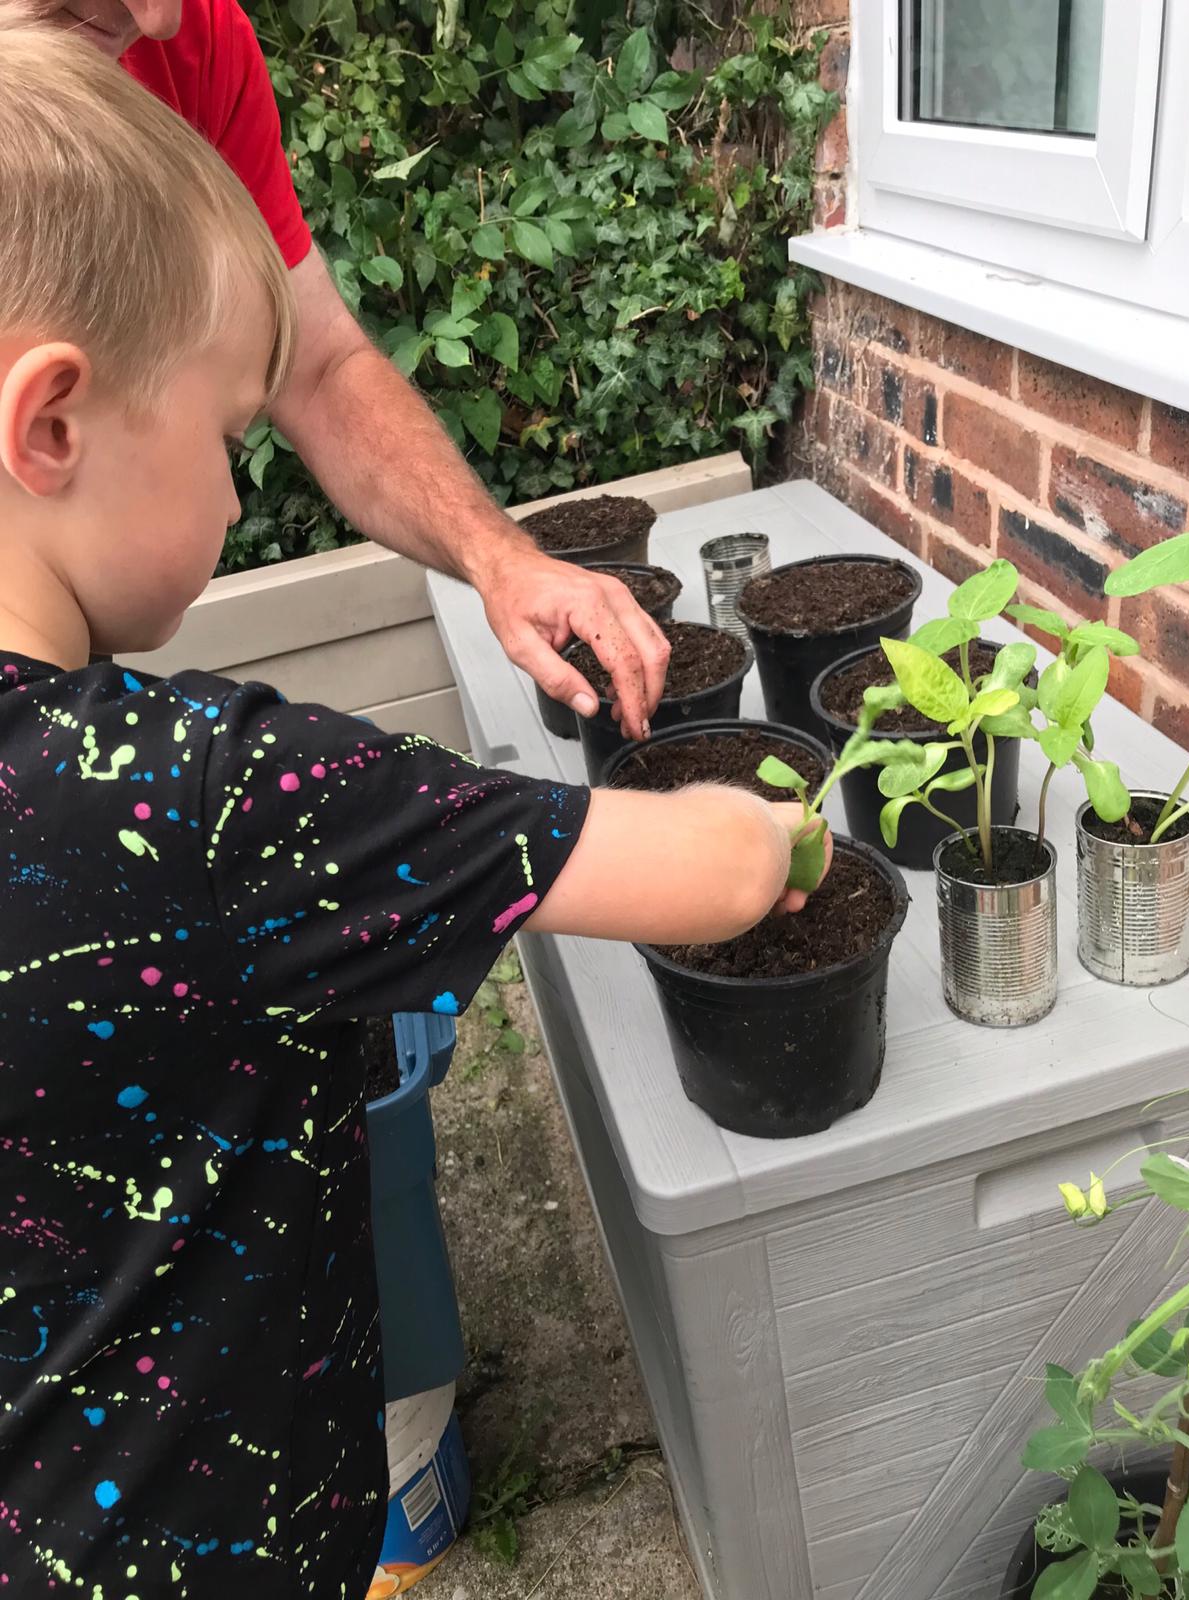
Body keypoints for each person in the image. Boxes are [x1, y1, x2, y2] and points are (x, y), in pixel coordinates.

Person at [0, 10, 830, 1593]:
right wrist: (794, 819)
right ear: (53, 422)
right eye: (232, 435)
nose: (248, 492)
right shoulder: (206, 795)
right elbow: (712, 872)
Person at [36, 0, 671, 742]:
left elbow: (319, 366)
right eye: (223, 441)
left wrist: (501, 560)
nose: (159, 19)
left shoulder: (199, 39)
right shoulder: (209, 773)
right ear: (43, 425)